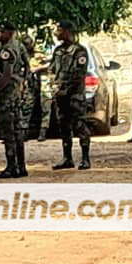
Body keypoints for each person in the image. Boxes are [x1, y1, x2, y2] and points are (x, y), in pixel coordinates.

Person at [0, 22, 31, 178]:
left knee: (8, 132)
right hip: (16, 94)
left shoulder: (7, 50)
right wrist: (22, 82)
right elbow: (27, 67)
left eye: (1, 31)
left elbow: (5, 75)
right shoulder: (19, 46)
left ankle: (11, 167)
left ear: (8, 33)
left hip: (6, 95)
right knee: (17, 131)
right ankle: (21, 166)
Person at [50, 20, 92, 170]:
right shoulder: (58, 51)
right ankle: (67, 158)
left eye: (59, 30)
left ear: (68, 31)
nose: (57, 33)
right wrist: (54, 86)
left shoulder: (79, 51)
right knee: (64, 127)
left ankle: (85, 158)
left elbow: (79, 74)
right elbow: (52, 70)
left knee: (80, 126)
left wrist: (66, 89)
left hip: (75, 96)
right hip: (60, 96)